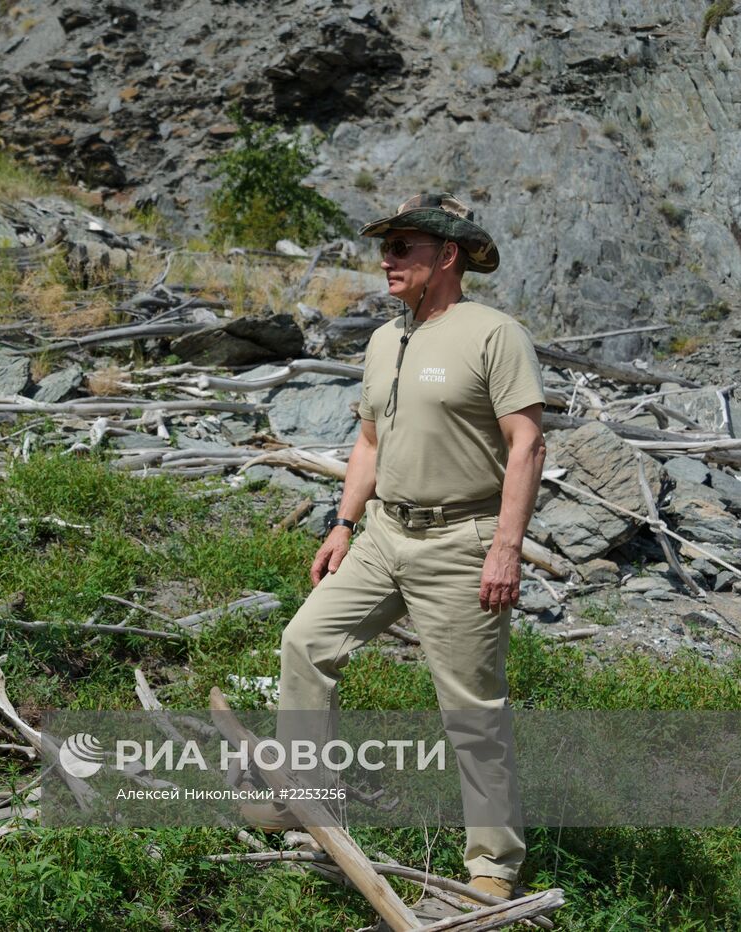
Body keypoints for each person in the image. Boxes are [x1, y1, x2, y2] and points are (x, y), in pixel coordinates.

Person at [271, 193, 547, 899]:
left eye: (403, 248)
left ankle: (492, 869)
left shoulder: (494, 334)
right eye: (385, 248)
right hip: (384, 533)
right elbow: (368, 438)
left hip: (463, 540)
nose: (386, 260)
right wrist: (343, 522)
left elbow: (527, 443)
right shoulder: (384, 339)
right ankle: (310, 805)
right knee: (305, 643)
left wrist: (507, 549)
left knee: (471, 710)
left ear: (446, 256)